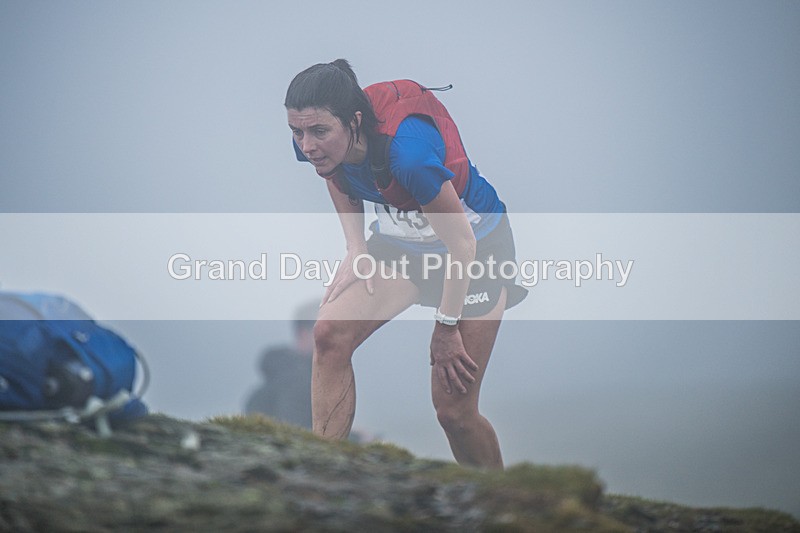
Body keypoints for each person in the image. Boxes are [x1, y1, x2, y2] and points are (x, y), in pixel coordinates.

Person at [284, 59, 527, 469]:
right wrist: (356, 248)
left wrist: (446, 327)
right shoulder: (317, 139)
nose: (307, 146)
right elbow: (334, 175)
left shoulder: (408, 155)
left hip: (476, 250)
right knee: (329, 334)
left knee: (454, 412)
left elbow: (462, 246)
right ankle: (323, 470)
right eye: (297, 131)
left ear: (354, 121)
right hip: (403, 246)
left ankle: (498, 497)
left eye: (319, 132)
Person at [244, 301, 317, 429]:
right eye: (331, 330)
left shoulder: (279, 377)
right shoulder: (301, 381)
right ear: (304, 334)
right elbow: (297, 432)